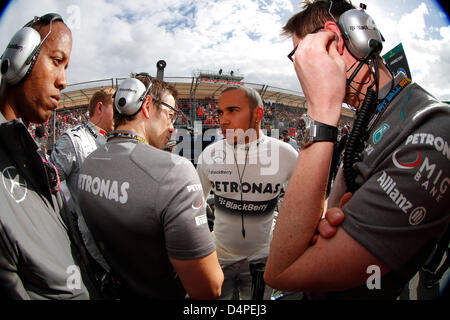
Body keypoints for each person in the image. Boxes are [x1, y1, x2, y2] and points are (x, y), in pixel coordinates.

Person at [264, 0, 450, 299]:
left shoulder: (434, 128)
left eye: (301, 54)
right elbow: (319, 220)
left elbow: (282, 271)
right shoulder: (370, 121)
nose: (301, 67)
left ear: (335, 40)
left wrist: (322, 111)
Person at [77, 73, 223, 299]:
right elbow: (209, 288)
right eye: (170, 115)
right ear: (145, 105)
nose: (173, 127)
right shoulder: (176, 172)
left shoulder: (88, 163)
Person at [0, 13, 95, 299]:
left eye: (66, 67)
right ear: (19, 58)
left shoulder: (28, 150)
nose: (64, 81)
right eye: (56, 61)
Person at [197, 86, 298, 300]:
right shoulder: (210, 155)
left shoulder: (286, 155)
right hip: (218, 258)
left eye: (232, 110)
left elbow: (300, 211)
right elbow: (195, 207)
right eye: (220, 112)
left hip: (262, 260)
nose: (223, 120)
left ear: (258, 114)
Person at [50, 88, 115, 274]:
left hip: (114, 235)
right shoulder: (73, 139)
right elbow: (50, 186)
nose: (119, 114)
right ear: (100, 108)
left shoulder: (117, 139)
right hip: (89, 243)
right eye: (114, 108)